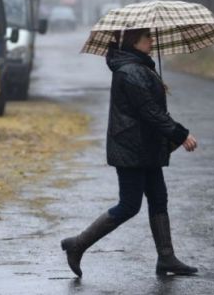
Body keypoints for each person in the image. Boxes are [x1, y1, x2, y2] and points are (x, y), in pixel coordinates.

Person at [61, 27, 199, 277]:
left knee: (158, 198)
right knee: (129, 205)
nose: (152, 41)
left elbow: (151, 108)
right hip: (131, 148)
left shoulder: (140, 66)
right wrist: (180, 134)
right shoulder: (130, 70)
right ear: (135, 41)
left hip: (146, 146)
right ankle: (77, 245)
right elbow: (149, 111)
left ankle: (166, 258)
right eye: (148, 37)